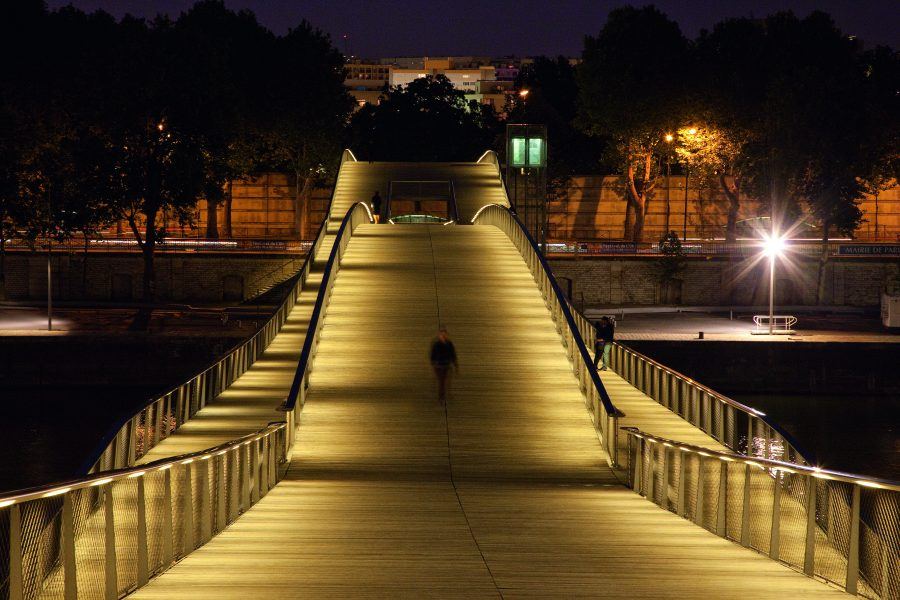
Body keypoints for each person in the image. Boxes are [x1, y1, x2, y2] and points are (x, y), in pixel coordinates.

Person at [429, 327, 458, 404]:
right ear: (439, 335)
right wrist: (433, 363)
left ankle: (444, 395)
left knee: (446, 381)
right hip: (439, 366)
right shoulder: (436, 344)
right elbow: (432, 355)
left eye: (444, 334)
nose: (443, 336)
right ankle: (441, 397)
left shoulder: (449, 344)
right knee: (441, 381)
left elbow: (453, 354)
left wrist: (455, 364)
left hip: (447, 365)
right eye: (441, 335)